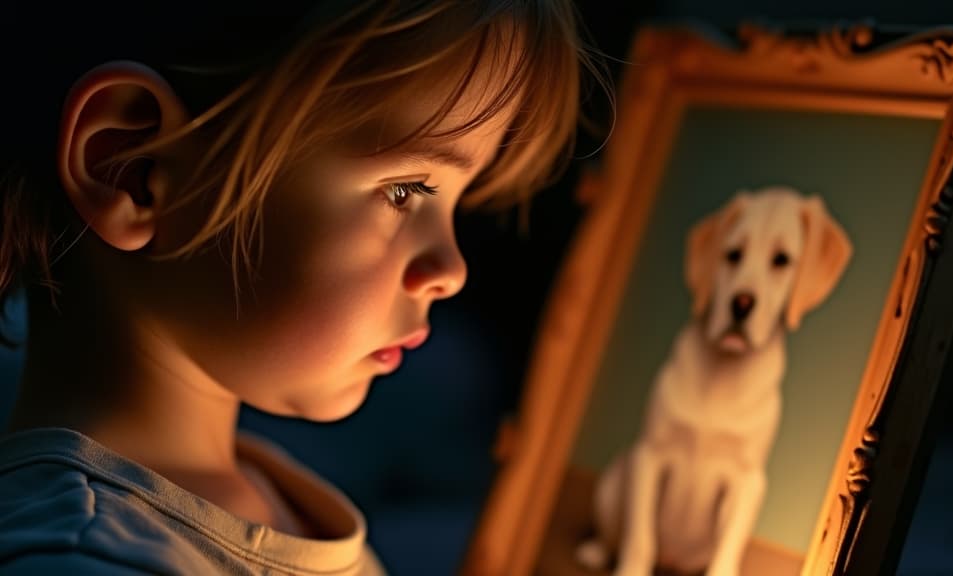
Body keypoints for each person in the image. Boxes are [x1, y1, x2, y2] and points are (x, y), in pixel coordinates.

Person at [0, 1, 606, 573]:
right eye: (404, 191)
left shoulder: (270, 497)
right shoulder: (82, 561)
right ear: (132, 170)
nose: (452, 270)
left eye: (455, 201)